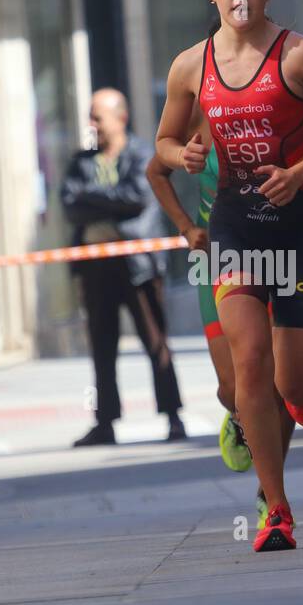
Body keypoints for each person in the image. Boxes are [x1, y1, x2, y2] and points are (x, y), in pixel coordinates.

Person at [155, 0, 303, 552]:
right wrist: (185, 151)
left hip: (300, 229)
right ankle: (276, 508)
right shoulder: (190, 65)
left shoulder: (300, 55)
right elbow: (163, 148)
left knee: (293, 386)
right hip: (235, 230)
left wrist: (301, 173)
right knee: (249, 363)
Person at [63, 88, 186, 447]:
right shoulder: (81, 162)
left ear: (121, 117)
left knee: (155, 341)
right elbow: (70, 206)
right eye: (90, 116)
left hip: (137, 264)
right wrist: (109, 201)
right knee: (102, 345)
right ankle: (105, 423)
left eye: (97, 117)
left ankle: (173, 415)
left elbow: (136, 198)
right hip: (95, 266)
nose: (92, 124)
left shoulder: (141, 154)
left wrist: (94, 200)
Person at [146, 107, 252, 472]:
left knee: (270, 382)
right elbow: (156, 171)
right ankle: (237, 417)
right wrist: (188, 228)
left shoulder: (267, 108)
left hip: (271, 254)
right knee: (231, 388)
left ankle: (270, 493)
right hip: (215, 259)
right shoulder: (196, 116)